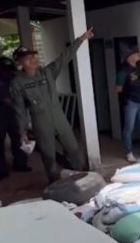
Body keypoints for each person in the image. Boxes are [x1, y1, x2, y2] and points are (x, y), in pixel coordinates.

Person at [10, 27, 95, 183]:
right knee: (48, 155)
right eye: (27, 58)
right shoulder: (17, 83)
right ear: (19, 62)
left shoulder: (47, 72)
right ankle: (55, 183)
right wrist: (22, 132)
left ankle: (82, 178)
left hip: (58, 118)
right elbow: (19, 110)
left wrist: (81, 39)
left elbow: (65, 57)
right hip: (41, 122)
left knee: (74, 148)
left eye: (33, 56)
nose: (32, 60)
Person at [116, 48, 140, 163]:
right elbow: (118, 89)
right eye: (135, 54)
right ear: (129, 57)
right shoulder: (123, 71)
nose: (138, 55)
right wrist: (126, 99)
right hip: (131, 102)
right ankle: (128, 152)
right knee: (129, 128)